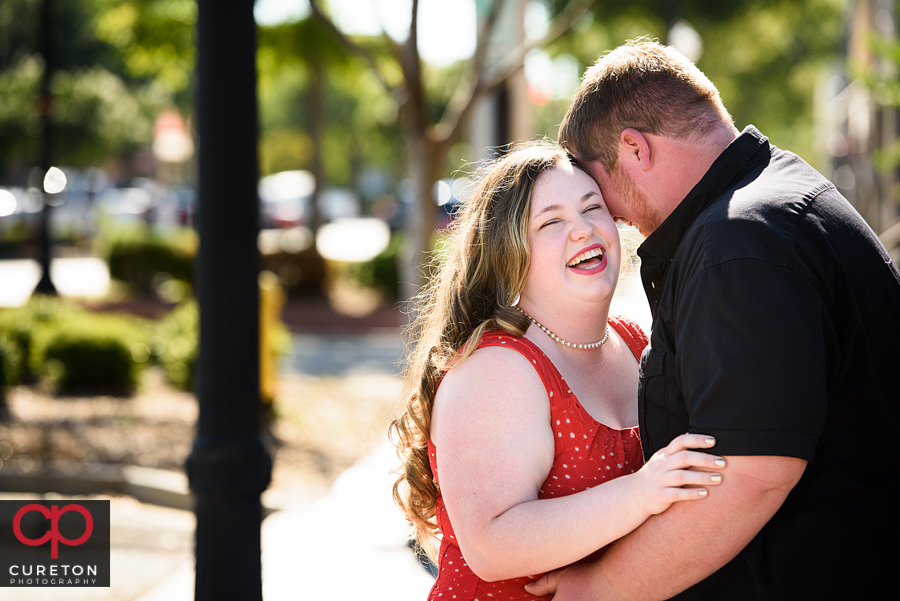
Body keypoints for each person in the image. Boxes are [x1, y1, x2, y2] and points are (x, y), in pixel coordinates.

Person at [524, 40, 900, 600]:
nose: (608, 215)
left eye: (594, 187)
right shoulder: (771, 203)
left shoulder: (736, 242)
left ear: (633, 149)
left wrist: (599, 589)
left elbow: (751, 475)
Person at [390, 141, 726, 601]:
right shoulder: (496, 368)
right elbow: (491, 545)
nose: (582, 230)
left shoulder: (633, 341)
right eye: (551, 222)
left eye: (593, 208)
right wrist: (642, 493)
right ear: (509, 253)